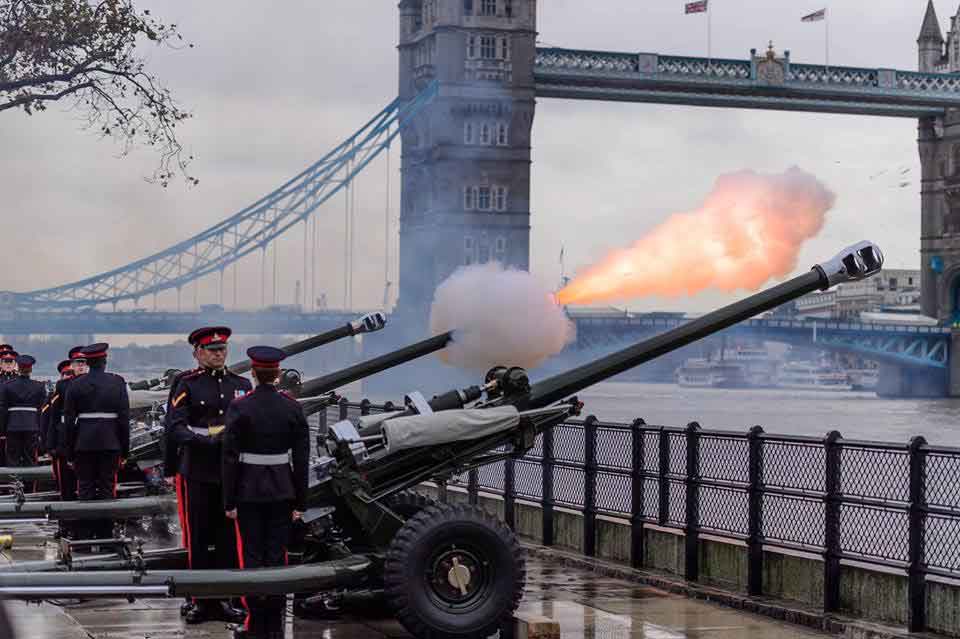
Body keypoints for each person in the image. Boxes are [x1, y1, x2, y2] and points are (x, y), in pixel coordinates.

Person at [222, 346, 309, 639]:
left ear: (253, 373)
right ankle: (273, 627)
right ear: (279, 374)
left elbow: (230, 458)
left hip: (248, 490)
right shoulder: (292, 407)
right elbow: (301, 459)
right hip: (283, 490)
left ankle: (256, 626)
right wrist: (301, 501)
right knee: (276, 558)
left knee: (252, 559)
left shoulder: (240, 407)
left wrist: (229, 500)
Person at [168, 327, 249, 625]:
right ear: (198, 353)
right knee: (200, 538)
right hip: (199, 468)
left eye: (222, 349)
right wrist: (205, 442)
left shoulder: (240, 384)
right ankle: (200, 599)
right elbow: (175, 427)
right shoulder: (187, 384)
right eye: (212, 349)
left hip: (230, 471)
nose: (218, 353)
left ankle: (227, 597)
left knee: (228, 538)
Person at [63, 344, 130, 540]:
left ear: (88, 362)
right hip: (110, 443)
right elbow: (123, 421)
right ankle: (105, 535)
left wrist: (69, 453)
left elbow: (69, 423)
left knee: (84, 489)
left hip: (83, 443)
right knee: (107, 488)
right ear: (105, 361)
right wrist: (124, 451)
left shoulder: (75, 385)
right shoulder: (117, 383)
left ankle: (84, 535)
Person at [41, 348, 87, 538]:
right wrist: (50, 445)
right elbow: (52, 418)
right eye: (67, 372)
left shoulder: (90, 385)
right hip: (64, 444)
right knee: (66, 490)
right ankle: (67, 526)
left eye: (84, 363)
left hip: (84, 443)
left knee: (85, 489)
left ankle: (84, 527)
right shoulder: (62, 388)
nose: (79, 368)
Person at [0, 356, 46, 467]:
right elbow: (42, 410)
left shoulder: (7, 385)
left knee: (12, 459)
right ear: (31, 370)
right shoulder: (39, 386)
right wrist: (40, 428)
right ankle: (29, 484)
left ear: (18, 368)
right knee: (30, 459)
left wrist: (2, 430)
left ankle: (14, 483)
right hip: (32, 426)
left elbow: (2, 409)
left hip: (12, 426)